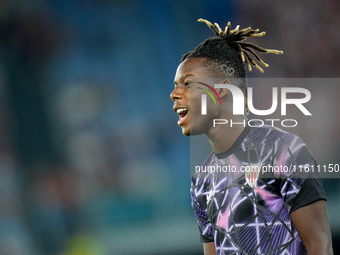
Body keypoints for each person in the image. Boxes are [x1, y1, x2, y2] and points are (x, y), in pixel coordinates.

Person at [170, 18, 333, 255]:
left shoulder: (282, 150)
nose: (175, 94)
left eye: (187, 83)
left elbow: (320, 246)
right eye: (175, 85)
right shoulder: (201, 182)